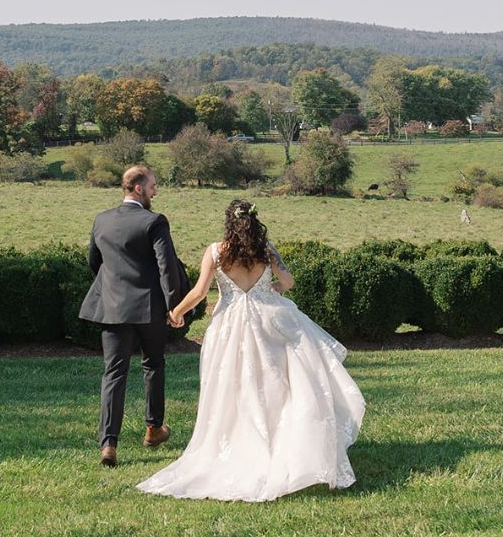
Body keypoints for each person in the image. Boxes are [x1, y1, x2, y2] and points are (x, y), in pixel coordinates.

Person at [137, 200, 366, 502]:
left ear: (228, 223)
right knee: (279, 388)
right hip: (271, 319)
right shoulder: (266, 250)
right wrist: (270, 290)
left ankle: (241, 443)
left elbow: (200, 292)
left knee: (234, 389)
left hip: (231, 326)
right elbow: (288, 281)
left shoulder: (216, 252)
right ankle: (281, 448)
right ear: (255, 222)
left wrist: (177, 312)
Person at [79, 165, 187, 468]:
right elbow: (166, 267)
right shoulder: (154, 221)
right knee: (153, 365)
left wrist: (113, 289)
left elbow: (94, 261)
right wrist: (173, 306)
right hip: (149, 308)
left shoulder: (102, 220)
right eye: (153, 185)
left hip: (113, 309)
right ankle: (153, 429)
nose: (156, 190)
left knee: (113, 373)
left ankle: (109, 444)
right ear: (138, 188)